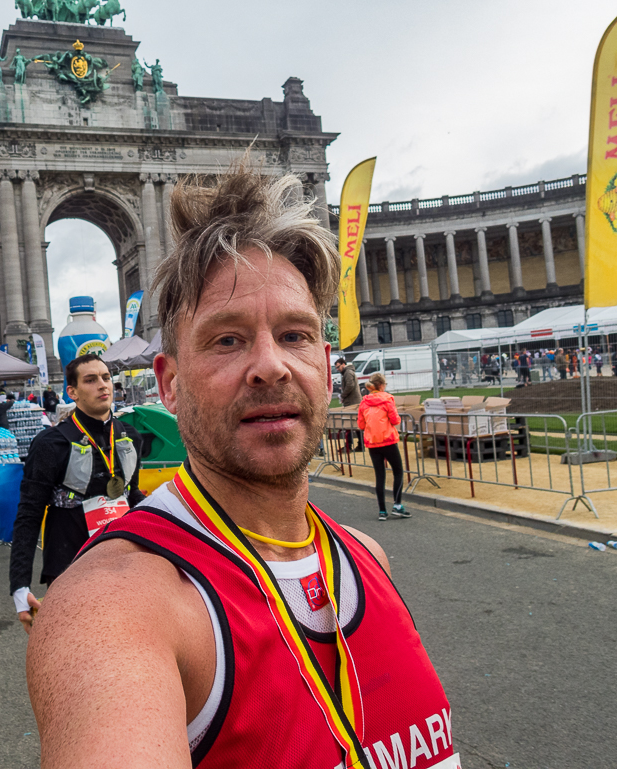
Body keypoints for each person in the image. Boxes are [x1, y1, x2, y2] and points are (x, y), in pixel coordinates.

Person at [27, 166, 455, 768]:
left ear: (327, 367)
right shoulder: (113, 608)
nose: (271, 366)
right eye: (227, 340)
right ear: (169, 386)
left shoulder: (368, 559)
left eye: (295, 334)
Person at [10, 353, 145, 630]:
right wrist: (19, 586)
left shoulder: (131, 436)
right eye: (91, 380)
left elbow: (133, 496)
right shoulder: (50, 444)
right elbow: (29, 514)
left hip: (124, 563)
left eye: (106, 378)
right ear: (72, 392)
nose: (103, 385)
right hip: (70, 566)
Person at [357, 372, 408, 521]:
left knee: (380, 475)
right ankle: (397, 505)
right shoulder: (387, 400)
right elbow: (395, 419)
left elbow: (360, 424)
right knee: (398, 471)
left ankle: (382, 510)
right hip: (388, 440)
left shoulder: (364, 403)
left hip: (373, 442)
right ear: (382, 385)